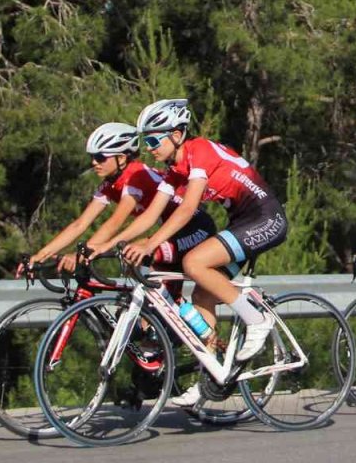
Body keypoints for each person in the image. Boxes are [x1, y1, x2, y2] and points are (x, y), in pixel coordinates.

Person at [100, 99, 288, 407]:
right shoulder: (174, 170)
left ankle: (257, 320)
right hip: (242, 222)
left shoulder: (199, 150)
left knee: (193, 262)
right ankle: (212, 376)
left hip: (266, 218)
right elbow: (149, 216)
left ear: (176, 134)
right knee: (202, 294)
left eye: (152, 139)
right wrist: (110, 244)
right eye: (145, 141)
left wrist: (150, 244)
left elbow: (188, 209)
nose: (147, 148)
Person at [22, 123, 215, 275]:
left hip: (195, 227)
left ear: (121, 158)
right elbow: (80, 224)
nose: (94, 163)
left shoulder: (135, 175)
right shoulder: (109, 184)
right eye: (93, 157)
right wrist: (41, 255)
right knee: (135, 269)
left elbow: (114, 223)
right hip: (172, 230)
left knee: (139, 258)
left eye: (100, 157)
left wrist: (84, 253)